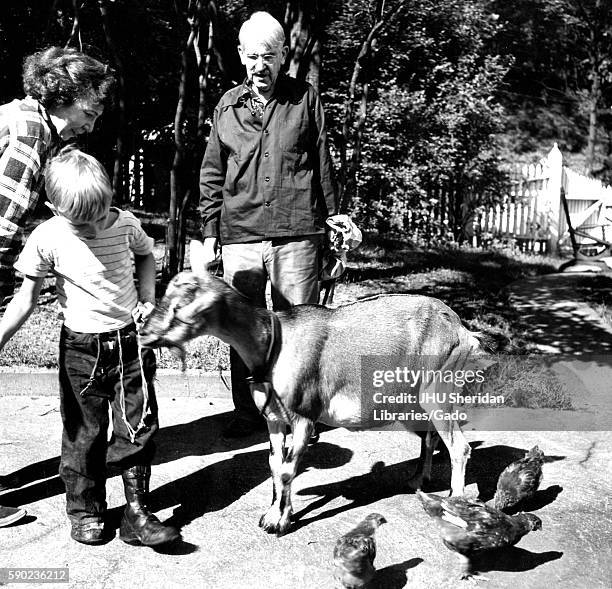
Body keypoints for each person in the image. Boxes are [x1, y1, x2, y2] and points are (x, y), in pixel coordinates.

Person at [0, 148, 179, 547]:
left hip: (132, 341)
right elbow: (26, 298)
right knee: (84, 434)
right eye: (82, 224)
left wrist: (148, 297)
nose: (95, 229)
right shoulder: (46, 237)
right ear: (54, 208)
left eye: (100, 216)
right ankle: (86, 510)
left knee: (139, 425)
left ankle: (137, 513)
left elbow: (147, 254)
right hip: (82, 350)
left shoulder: (126, 224)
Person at [198, 11, 337, 438]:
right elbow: (212, 172)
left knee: (302, 329)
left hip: (297, 231)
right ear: (241, 56)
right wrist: (208, 233)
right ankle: (250, 412)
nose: (261, 66)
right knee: (243, 328)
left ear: (284, 57)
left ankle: (302, 415)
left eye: (270, 56)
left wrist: (334, 221)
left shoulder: (305, 99)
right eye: (253, 56)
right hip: (239, 232)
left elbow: (322, 164)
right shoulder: (227, 105)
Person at [0, 46, 114, 528]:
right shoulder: (27, 132)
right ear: (62, 97)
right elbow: (2, 228)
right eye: (88, 112)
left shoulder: (35, 125)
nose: (90, 125)